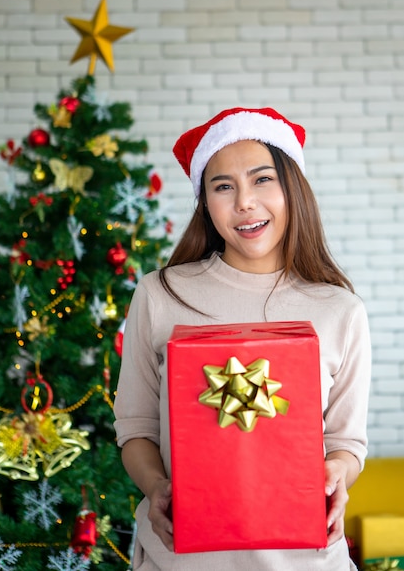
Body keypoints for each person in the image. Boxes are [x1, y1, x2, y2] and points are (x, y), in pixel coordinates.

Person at [113, 107, 371, 571]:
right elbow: (135, 430)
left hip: (308, 560)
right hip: (179, 560)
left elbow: (347, 443)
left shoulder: (341, 310)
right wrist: (157, 488)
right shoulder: (160, 294)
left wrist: (337, 472)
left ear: (292, 188)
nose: (245, 203)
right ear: (206, 203)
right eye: (223, 187)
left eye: (262, 180)